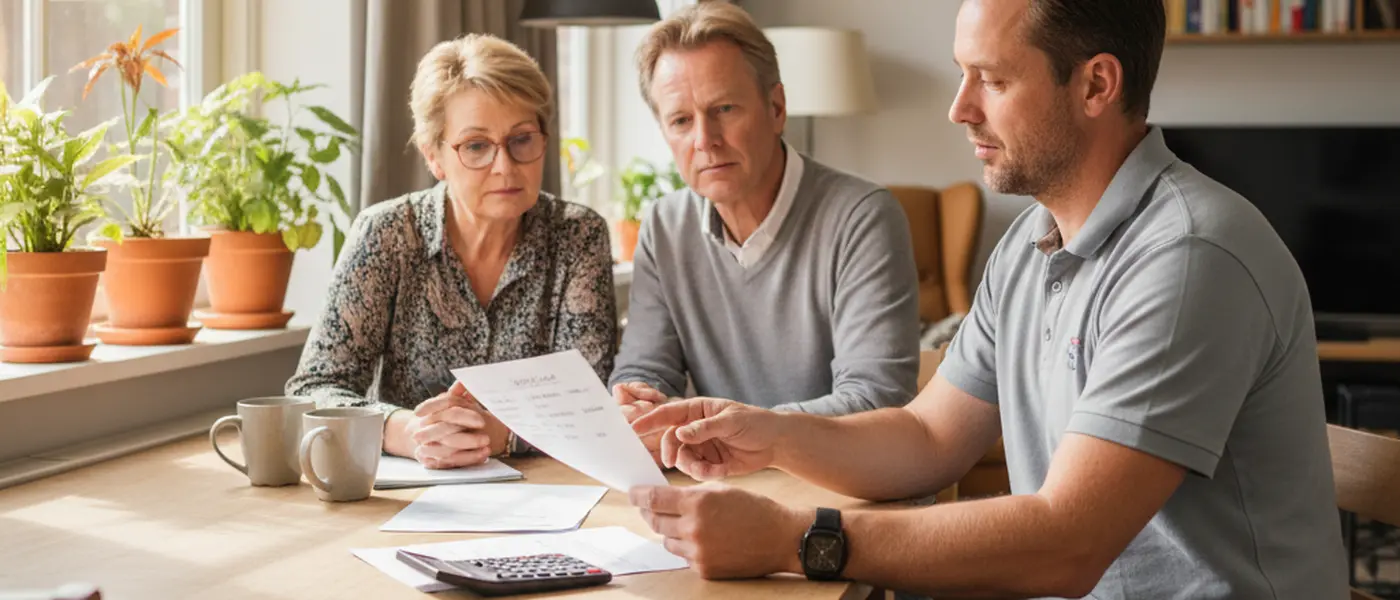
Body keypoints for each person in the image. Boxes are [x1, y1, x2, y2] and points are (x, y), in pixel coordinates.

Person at [625, 0, 1349, 597]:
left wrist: (791, 537)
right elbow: (928, 440)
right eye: (960, 75)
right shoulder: (1033, 243)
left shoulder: (1188, 258)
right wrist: (766, 432)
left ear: (1096, 85)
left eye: (991, 80)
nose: (959, 108)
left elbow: (1068, 544)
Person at [286, 34, 617, 469]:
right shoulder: (386, 234)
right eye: (477, 146)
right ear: (434, 156)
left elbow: (591, 401)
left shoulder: (578, 235)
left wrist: (498, 435)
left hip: (551, 489)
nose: (505, 166)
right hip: (407, 491)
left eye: (522, 139)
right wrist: (405, 430)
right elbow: (313, 388)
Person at [610, 2, 922, 463]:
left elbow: (875, 400)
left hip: (840, 491)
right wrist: (636, 403)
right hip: (720, 483)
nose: (704, 140)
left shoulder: (862, 217)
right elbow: (645, 370)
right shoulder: (664, 225)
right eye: (680, 120)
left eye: (725, 109)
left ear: (775, 108)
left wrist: (733, 432)